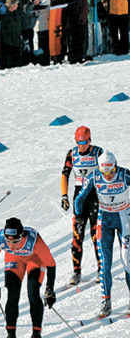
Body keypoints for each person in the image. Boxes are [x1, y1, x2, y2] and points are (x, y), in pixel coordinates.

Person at [74, 151, 130, 318]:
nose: (108, 176)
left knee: (127, 260)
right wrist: (78, 216)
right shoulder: (95, 176)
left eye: (111, 172)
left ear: (115, 166)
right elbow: (79, 198)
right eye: (105, 172)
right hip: (104, 220)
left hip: (124, 219)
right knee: (104, 262)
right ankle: (106, 301)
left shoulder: (125, 174)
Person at [0, 217, 56, 338]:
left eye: (16, 241)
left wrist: (50, 288)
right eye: (9, 241)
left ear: (22, 235)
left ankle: (36, 333)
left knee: (33, 293)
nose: (12, 245)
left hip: (35, 260)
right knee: (12, 295)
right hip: (14, 260)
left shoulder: (34, 240)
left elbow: (51, 264)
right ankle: (11, 335)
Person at [60, 125, 103, 286]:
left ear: (90, 140)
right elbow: (65, 175)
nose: (81, 145)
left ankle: (101, 269)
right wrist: (64, 195)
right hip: (79, 199)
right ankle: (76, 271)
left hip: (95, 198)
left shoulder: (98, 152)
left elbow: (107, 172)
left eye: (84, 142)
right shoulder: (72, 153)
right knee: (77, 236)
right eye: (78, 142)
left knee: (96, 236)